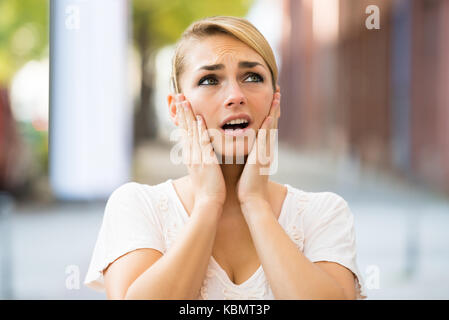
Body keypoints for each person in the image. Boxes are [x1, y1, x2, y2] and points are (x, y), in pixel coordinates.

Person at [84, 16, 366, 300]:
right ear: (175, 107)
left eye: (252, 77)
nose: (235, 96)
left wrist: (255, 203)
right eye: (210, 80)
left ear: (275, 99)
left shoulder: (324, 213)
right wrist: (208, 201)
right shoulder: (136, 206)